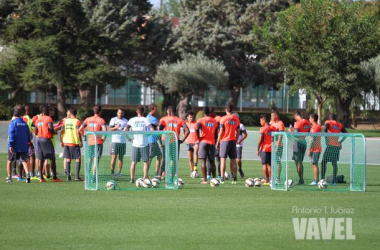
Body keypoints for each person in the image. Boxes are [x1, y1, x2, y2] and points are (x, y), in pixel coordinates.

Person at [159, 106, 190, 178]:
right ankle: (172, 177)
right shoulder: (180, 120)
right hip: (175, 142)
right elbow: (187, 131)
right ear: (175, 111)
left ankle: (159, 176)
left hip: (165, 141)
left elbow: (159, 131)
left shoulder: (164, 119)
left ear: (168, 111)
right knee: (174, 159)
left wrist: (160, 141)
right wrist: (182, 140)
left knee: (164, 158)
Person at [125, 106, 153, 183]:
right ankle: (144, 178)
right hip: (144, 143)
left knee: (133, 162)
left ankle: (132, 179)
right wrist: (146, 136)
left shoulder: (132, 120)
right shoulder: (145, 119)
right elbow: (152, 130)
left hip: (135, 144)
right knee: (145, 162)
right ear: (143, 112)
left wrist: (129, 139)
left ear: (137, 112)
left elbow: (125, 130)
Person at [80, 105, 107, 183]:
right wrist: (103, 138)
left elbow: (80, 129)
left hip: (90, 142)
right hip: (98, 142)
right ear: (100, 111)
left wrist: (84, 135)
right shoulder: (101, 120)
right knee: (96, 160)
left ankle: (87, 176)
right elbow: (105, 130)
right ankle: (93, 177)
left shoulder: (87, 119)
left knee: (89, 159)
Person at [6, 105, 33, 183]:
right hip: (23, 145)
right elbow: (28, 134)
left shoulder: (13, 123)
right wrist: (28, 142)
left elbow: (11, 134)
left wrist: (11, 144)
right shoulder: (24, 123)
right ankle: (28, 176)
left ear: (14, 115)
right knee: (24, 160)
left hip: (14, 145)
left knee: (10, 160)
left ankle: (9, 177)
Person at [34, 105, 61, 182]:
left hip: (38, 139)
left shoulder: (38, 120)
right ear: (47, 111)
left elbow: (35, 131)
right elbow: (51, 129)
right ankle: (55, 178)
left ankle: (41, 178)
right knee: (52, 158)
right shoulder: (48, 118)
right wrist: (54, 132)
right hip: (46, 139)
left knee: (41, 159)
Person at [216, 104, 240, 184]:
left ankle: (222, 179)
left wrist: (218, 142)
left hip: (224, 141)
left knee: (223, 160)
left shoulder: (223, 119)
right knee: (233, 160)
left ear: (226, 110)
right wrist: (236, 140)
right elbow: (238, 131)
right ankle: (235, 179)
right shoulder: (236, 119)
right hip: (233, 141)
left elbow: (221, 131)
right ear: (232, 110)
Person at [321, 114, 348, 185]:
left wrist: (326, 139)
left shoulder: (328, 122)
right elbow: (346, 133)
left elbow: (325, 128)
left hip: (330, 146)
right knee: (334, 164)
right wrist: (340, 141)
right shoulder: (339, 125)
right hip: (336, 147)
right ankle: (334, 181)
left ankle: (322, 179)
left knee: (324, 162)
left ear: (329, 118)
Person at [196, 107, 218, 184]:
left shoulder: (201, 120)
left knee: (203, 161)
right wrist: (214, 140)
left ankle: (205, 180)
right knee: (212, 161)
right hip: (212, 142)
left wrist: (198, 137)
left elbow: (196, 128)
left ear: (203, 112)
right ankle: (214, 178)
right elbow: (216, 134)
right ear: (210, 112)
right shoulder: (214, 121)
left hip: (203, 142)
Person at [288, 111, 311, 185]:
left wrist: (290, 132)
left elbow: (296, 135)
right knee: (300, 162)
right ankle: (301, 179)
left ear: (295, 116)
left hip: (297, 143)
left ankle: (301, 180)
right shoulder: (307, 122)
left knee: (298, 162)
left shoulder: (297, 123)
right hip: (304, 142)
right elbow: (309, 132)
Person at [60, 108, 83, 181]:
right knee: (78, 159)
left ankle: (68, 177)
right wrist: (80, 141)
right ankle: (76, 177)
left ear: (70, 113)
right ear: (76, 113)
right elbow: (78, 132)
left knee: (68, 159)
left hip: (66, 142)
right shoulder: (77, 121)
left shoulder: (65, 121)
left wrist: (61, 141)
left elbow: (62, 131)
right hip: (74, 142)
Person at [257, 115, 276, 185]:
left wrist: (257, 149)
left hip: (264, 149)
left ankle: (267, 179)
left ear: (264, 121)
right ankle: (271, 180)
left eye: (260, 121)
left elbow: (260, 139)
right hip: (272, 149)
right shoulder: (274, 128)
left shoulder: (263, 128)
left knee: (264, 164)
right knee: (270, 165)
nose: (260, 122)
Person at [109, 109, 128, 178]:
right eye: (119, 113)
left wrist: (126, 129)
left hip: (122, 142)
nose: (120, 114)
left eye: (121, 113)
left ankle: (119, 172)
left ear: (123, 114)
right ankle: (112, 172)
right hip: (115, 141)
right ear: (117, 113)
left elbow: (127, 130)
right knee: (114, 157)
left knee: (121, 158)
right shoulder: (113, 120)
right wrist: (116, 127)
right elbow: (110, 129)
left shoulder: (126, 121)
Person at [146, 104, 163, 178]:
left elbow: (157, 129)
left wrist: (160, 141)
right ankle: (145, 174)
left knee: (159, 156)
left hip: (154, 140)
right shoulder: (151, 118)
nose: (156, 110)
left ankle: (156, 173)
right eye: (155, 109)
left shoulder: (149, 117)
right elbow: (160, 125)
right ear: (152, 109)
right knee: (150, 158)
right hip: (151, 140)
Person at [270, 110, 285, 184]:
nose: (271, 117)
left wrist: (277, 147)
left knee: (277, 161)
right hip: (271, 145)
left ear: (277, 116)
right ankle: (271, 177)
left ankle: (278, 178)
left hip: (278, 146)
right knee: (271, 161)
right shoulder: (272, 123)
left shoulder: (280, 124)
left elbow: (280, 136)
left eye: (272, 116)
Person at [23, 105, 37, 179]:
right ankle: (32, 174)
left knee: (23, 158)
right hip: (28, 141)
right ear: (27, 111)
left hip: (20, 142)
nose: (31, 112)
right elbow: (33, 129)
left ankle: (23, 174)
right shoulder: (29, 119)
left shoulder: (20, 118)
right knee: (31, 157)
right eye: (30, 110)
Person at [308, 113, 322, 186]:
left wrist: (309, 149)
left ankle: (316, 180)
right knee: (313, 164)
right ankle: (316, 180)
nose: (309, 119)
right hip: (316, 148)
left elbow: (313, 139)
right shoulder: (317, 126)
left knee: (314, 164)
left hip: (315, 149)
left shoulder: (315, 127)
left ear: (313, 119)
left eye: (310, 118)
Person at [233, 113, 248, 178]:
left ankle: (240, 168)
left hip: (238, 145)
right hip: (232, 144)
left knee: (238, 160)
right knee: (232, 159)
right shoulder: (231, 125)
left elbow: (245, 134)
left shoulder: (241, 125)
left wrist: (240, 141)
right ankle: (232, 173)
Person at [185, 111, 199, 176]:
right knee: (190, 159)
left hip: (195, 142)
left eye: (192, 117)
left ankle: (195, 167)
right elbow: (184, 132)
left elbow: (199, 131)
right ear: (187, 117)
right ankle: (192, 171)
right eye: (190, 117)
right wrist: (185, 139)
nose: (191, 118)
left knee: (195, 153)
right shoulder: (186, 124)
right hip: (188, 143)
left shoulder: (196, 124)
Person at [210, 107, 222, 178]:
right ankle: (209, 174)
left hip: (217, 140)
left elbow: (223, 127)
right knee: (210, 158)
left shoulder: (218, 118)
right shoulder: (207, 119)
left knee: (218, 158)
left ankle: (220, 174)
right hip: (210, 140)